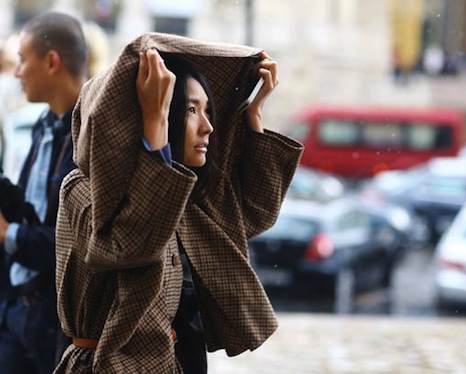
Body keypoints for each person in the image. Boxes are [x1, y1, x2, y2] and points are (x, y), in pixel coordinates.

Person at [54, 33, 303, 373]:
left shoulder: (180, 194)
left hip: (179, 358)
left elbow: (249, 217)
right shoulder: (81, 188)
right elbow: (130, 245)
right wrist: (155, 128)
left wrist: (253, 115)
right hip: (106, 365)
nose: (208, 126)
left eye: (208, 110)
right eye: (189, 109)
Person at [0, 12, 88, 374]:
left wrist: (8, 233)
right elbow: (31, 210)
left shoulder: (91, 134)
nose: (17, 71)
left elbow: (76, 247)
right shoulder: (43, 122)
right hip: (17, 312)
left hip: (55, 327)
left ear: (51, 62)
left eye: (23, 59)